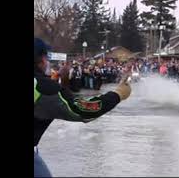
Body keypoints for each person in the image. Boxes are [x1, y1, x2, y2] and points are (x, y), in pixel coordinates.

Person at [34, 38, 131, 177]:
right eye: (46, 56)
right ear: (41, 60)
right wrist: (117, 94)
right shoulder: (43, 87)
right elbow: (84, 110)